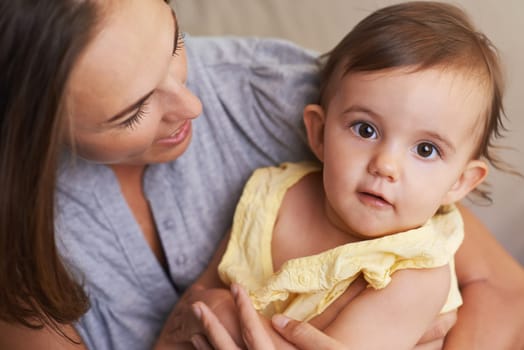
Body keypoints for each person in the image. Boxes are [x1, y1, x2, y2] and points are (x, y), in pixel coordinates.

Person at [0, 0, 523, 349]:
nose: (192, 104)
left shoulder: (274, 94)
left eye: (175, 42)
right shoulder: (272, 195)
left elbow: (504, 292)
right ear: (34, 130)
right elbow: (205, 289)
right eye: (133, 110)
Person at [171, 2, 510, 349]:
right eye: (365, 130)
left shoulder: (417, 276)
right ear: (318, 133)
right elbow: (194, 301)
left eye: (425, 150)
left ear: (460, 182)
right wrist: (208, 309)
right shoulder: (271, 195)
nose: (385, 165)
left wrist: (226, 316)